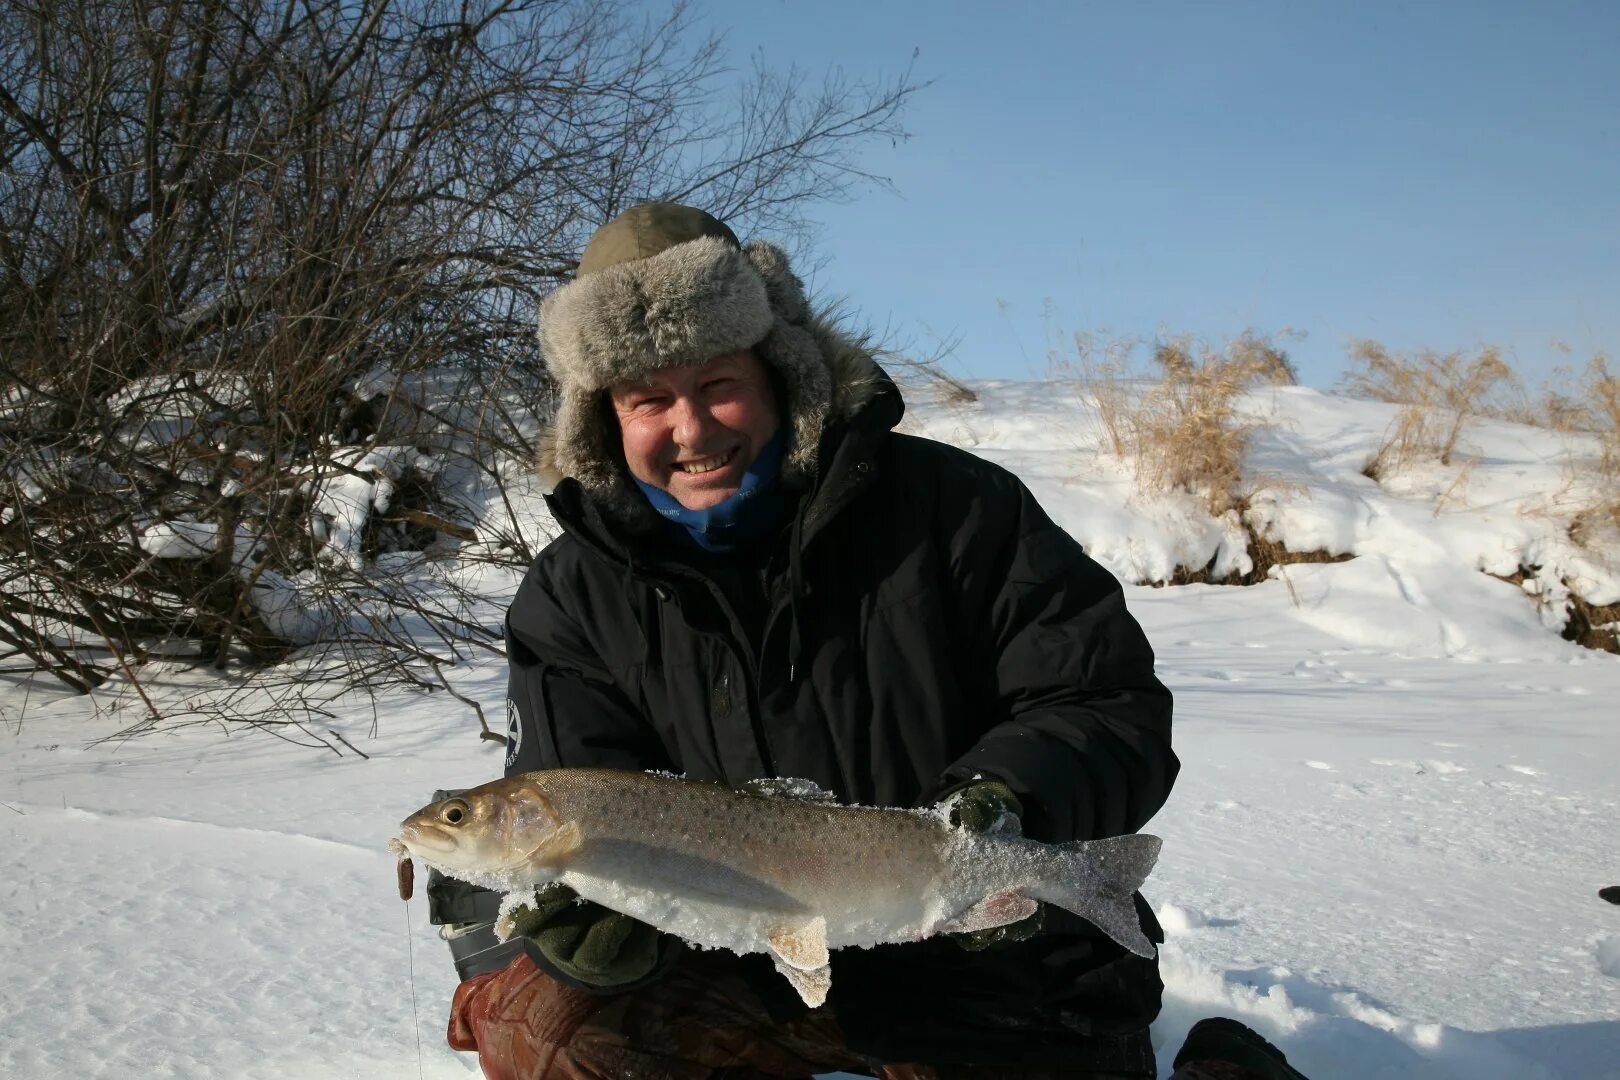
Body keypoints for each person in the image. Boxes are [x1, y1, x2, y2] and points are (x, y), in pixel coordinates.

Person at [445, 203, 1307, 1080]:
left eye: (718, 385)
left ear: (781, 371)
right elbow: (583, 776)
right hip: (741, 963)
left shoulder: (960, 510)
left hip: (988, 957)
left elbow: (1105, 700)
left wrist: (1008, 804)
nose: (693, 429)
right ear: (605, 420)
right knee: (544, 1021)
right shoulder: (571, 596)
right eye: (650, 400)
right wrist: (592, 933)